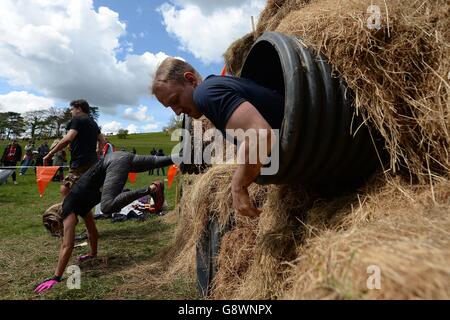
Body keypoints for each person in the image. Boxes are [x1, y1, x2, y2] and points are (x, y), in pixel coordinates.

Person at [151, 58, 284, 217]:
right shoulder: (216, 87)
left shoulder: (206, 93)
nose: (177, 112)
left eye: (175, 100)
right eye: (170, 107)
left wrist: (238, 186)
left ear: (191, 80)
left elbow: (261, 135)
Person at [34, 151, 174, 294]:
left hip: (113, 163)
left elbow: (67, 246)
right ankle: (188, 155)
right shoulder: (79, 205)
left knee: (106, 207)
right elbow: (92, 232)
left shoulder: (67, 209)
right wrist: (92, 254)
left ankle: (152, 189)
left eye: (59, 228)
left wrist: (56, 277)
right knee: (163, 160)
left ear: (56, 219)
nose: (63, 230)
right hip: (117, 157)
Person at [43, 100, 106, 197]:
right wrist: (98, 152)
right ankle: (83, 211)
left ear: (79, 109)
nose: (70, 112)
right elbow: (102, 140)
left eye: (72, 109)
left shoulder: (77, 119)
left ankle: (70, 212)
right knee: (82, 194)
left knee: (65, 190)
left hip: (79, 162)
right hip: (92, 162)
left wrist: (50, 154)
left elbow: (68, 138)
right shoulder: (93, 123)